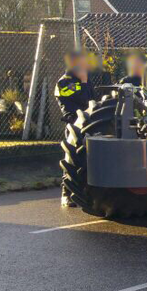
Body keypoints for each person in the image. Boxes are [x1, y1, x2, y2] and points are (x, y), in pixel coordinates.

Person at [55, 50, 95, 207]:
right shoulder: (64, 82)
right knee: (71, 160)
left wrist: (85, 82)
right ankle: (66, 194)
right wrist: (84, 82)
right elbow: (83, 99)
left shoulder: (85, 80)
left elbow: (93, 101)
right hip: (74, 125)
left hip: (90, 123)